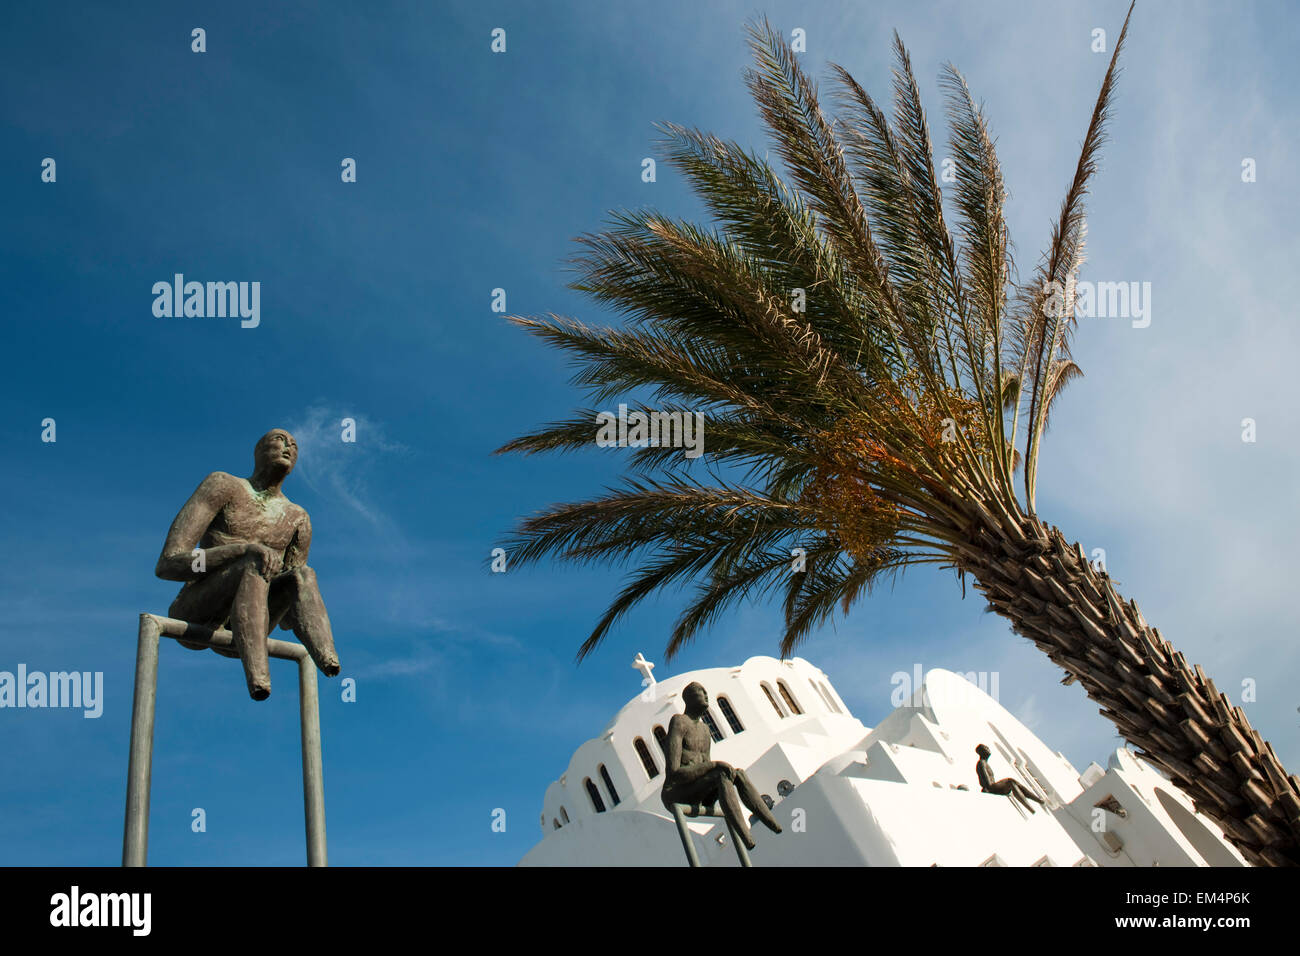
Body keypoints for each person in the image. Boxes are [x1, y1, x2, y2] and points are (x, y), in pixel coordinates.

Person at [155, 429, 338, 700]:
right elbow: (168, 564)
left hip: (253, 623)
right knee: (252, 561)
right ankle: (259, 677)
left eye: (294, 445)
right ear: (258, 451)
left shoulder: (297, 517)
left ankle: (328, 660)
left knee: (303, 575)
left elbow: (289, 619)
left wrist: (303, 601)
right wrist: (240, 551)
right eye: (280, 440)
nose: (288, 447)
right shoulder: (224, 486)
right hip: (198, 611)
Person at [661, 682, 782, 850]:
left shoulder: (704, 730)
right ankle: (746, 837)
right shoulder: (679, 721)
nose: (705, 694)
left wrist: (715, 767)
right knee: (720, 775)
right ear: (688, 698)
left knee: (738, 774)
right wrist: (715, 765)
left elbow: (706, 767)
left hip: (698, 791)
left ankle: (771, 822)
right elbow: (674, 773)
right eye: (700, 691)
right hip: (676, 792)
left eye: (706, 691)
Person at [975, 744, 1046, 813]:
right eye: (986, 748)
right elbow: (987, 782)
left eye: (988, 748)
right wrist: (989, 788)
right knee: (1010, 782)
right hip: (991, 787)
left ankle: (1036, 802)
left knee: (1012, 782)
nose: (988, 750)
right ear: (981, 752)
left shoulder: (985, 763)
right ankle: (1032, 805)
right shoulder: (981, 763)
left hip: (993, 786)